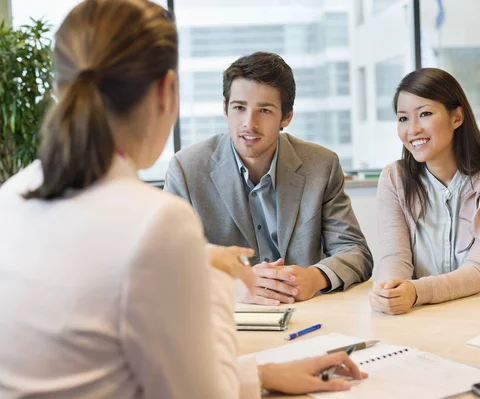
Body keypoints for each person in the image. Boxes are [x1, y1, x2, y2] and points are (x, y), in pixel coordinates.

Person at [0, 1, 366, 397]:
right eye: (239, 108)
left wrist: (262, 375)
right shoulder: (156, 221)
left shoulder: (11, 197)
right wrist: (215, 276)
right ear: (167, 90)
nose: (249, 122)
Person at [164, 51, 373, 306]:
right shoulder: (186, 170)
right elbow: (168, 263)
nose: (249, 124)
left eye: (264, 110)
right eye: (239, 108)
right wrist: (233, 288)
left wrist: (316, 277)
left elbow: (355, 251)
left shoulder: (321, 165)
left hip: (307, 315)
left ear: (286, 117)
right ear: (225, 108)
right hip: (229, 317)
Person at [370, 68, 480, 316]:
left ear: (457, 117)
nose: (413, 129)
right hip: (421, 314)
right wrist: (389, 290)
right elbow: (395, 256)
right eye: (403, 118)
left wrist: (416, 292)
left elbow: (478, 271)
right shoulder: (394, 178)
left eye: (425, 114)